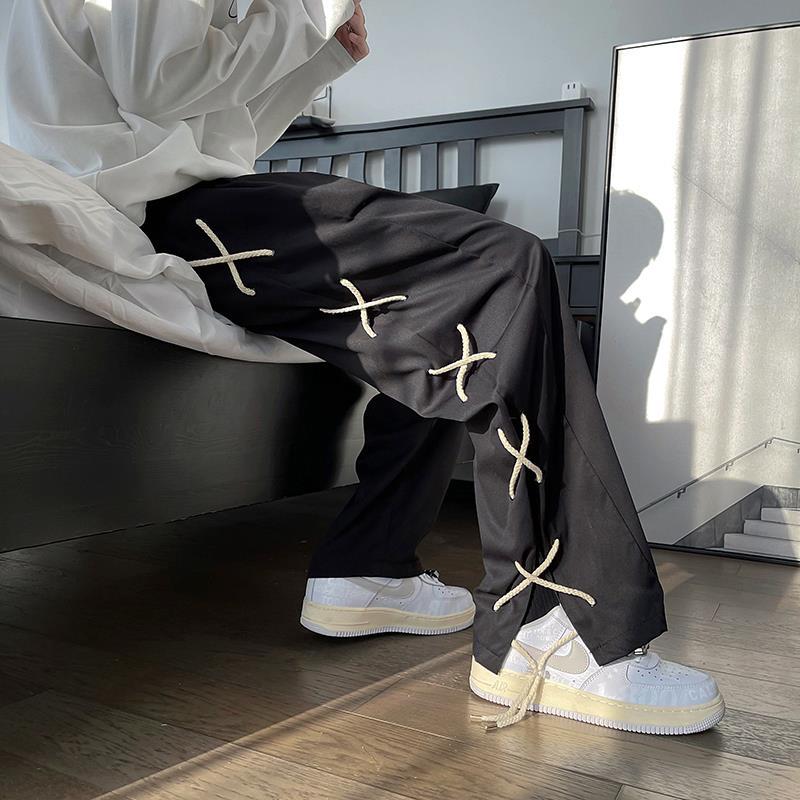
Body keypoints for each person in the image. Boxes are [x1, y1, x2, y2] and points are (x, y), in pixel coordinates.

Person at [3, 0, 725, 734]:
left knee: (442, 307)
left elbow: (198, 127)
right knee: (503, 265)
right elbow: (159, 83)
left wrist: (317, 57)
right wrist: (306, 15)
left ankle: (370, 562)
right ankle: (556, 627)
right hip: (150, 205)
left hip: (141, 191)